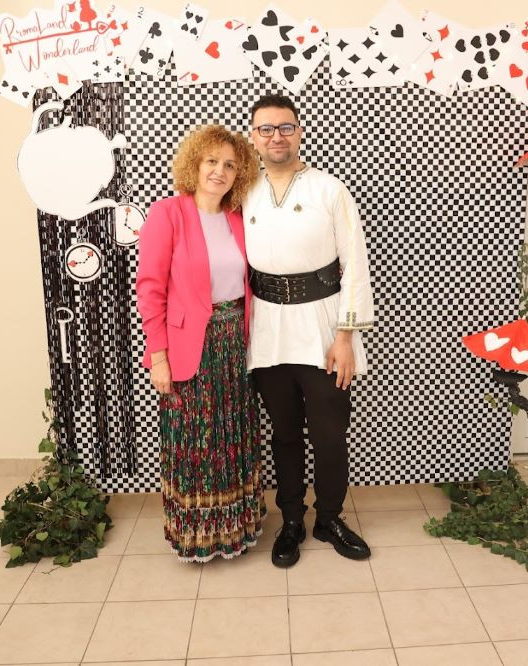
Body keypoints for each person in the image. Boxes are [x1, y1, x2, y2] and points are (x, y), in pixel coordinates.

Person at [244, 94, 375, 568]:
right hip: (267, 329)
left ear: (299, 132)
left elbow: (355, 263)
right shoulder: (243, 191)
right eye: (266, 128)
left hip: (323, 326)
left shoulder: (329, 190)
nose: (276, 136)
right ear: (254, 137)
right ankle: (292, 521)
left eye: (285, 127)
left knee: (329, 433)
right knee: (283, 433)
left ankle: (330, 518)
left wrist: (345, 337)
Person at [136, 124, 263, 562]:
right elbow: (150, 289)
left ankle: (235, 531)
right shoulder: (167, 213)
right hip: (188, 349)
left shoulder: (239, 218)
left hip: (235, 346)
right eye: (211, 161)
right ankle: (197, 537)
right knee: (195, 442)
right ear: (195, 164)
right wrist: (158, 357)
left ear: (239, 173)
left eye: (230, 164)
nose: (219, 171)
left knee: (233, 438)